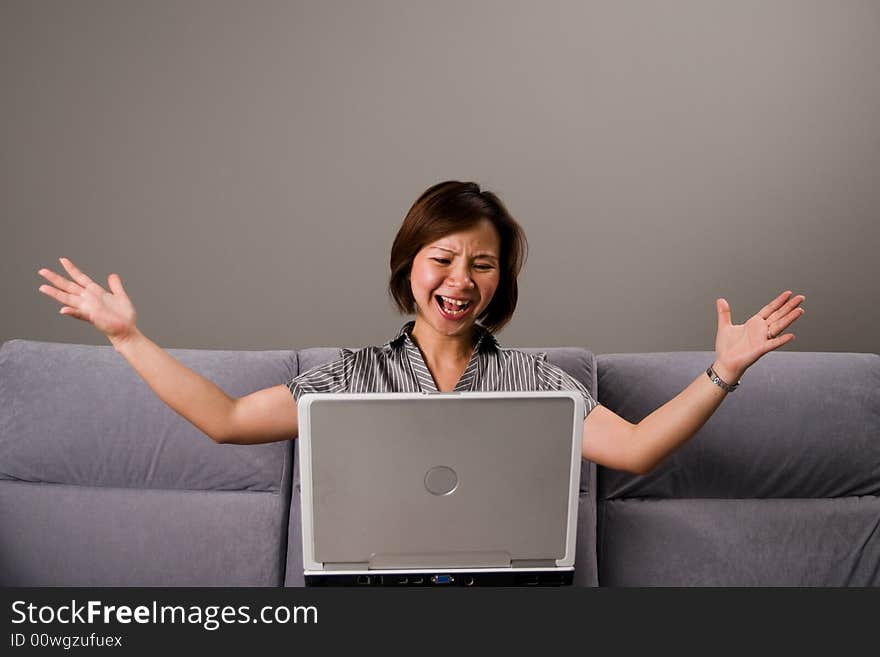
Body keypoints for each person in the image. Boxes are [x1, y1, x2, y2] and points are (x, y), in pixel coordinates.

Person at [37, 180, 805, 474]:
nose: (461, 281)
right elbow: (227, 419)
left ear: (501, 281)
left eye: (484, 264)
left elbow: (635, 450)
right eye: (444, 258)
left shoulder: (534, 382)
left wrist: (723, 371)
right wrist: (127, 337)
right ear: (411, 265)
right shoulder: (351, 378)